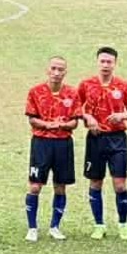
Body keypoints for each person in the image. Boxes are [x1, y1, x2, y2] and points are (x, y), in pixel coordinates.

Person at [79, 47, 127, 240]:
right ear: (97, 62)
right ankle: (99, 225)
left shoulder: (122, 86)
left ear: (115, 63)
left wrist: (122, 115)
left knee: (120, 185)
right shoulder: (86, 85)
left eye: (109, 62)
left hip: (117, 139)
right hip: (95, 139)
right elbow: (75, 108)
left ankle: (123, 224)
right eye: (102, 61)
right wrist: (88, 117)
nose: (105, 65)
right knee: (95, 182)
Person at [23, 58, 83, 242]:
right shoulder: (35, 92)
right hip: (41, 143)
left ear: (65, 72)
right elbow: (32, 119)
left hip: (63, 144)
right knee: (35, 186)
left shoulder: (72, 93)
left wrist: (62, 125)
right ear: (47, 70)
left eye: (60, 69)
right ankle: (32, 228)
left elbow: (75, 121)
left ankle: (55, 227)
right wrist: (48, 125)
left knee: (60, 186)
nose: (57, 73)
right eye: (54, 68)